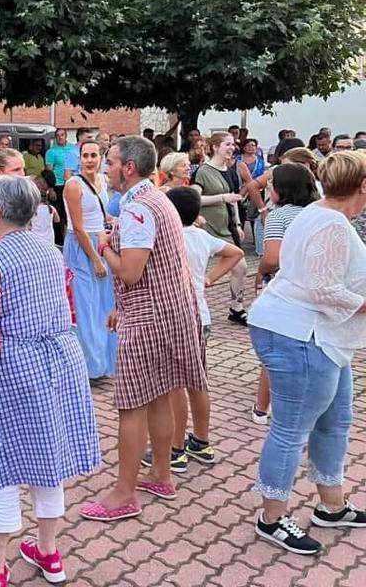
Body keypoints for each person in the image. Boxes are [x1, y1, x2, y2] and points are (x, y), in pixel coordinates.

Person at [0, 175, 101, 585]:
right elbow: (69, 308)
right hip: (61, 359)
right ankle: (48, 551)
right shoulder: (51, 250)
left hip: (15, 363)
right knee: (49, 456)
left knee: (2, 463)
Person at [246, 151, 366, 556]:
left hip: (324, 337)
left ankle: (331, 505)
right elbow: (324, 289)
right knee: (292, 428)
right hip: (300, 334)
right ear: (362, 186)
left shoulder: (321, 212)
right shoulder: (330, 222)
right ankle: (272, 517)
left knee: (335, 419)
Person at [81, 137, 206, 522]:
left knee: (131, 405)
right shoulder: (158, 198)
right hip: (172, 311)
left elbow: (132, 271)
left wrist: (103, 246)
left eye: (111, 161)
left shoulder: (137, 208)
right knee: (160, 395)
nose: (105, 167)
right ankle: (161, 475)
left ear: (128, 168)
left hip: (149, 317)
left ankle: (124, 493)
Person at [155, 187, 244, 473]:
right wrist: (208, 279)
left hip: (176, 316)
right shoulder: (201, 236)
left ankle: (175, 448)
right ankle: (202, 441)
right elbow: (235, 252)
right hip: (201, 317)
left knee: (174, 385)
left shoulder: (167, 238)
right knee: (197, 381)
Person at [252, 163, 320, 424]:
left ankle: (261, 407)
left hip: (285, 289)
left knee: (274, 353)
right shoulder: (317, 211)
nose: (268, 187)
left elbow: (271, 259)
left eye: (272, 183)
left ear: (283, 188)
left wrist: (260, 270)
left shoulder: (278, 216)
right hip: (314, 289)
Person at [63, 139, 117, 380]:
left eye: (94, 155)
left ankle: (102, 362)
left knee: (103, 303)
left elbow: (101, 213)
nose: (90, 160)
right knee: (84, 306)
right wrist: (95, 258)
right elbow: (78, 226)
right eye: (85, 155)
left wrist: (114, 223)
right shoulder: (74, 185)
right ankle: (86, 366)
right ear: (79, 158)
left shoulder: (102, 181)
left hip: (101, 241)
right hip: (80, 246)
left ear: (101, 157)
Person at [193, 132, 249, 325]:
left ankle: (236, 307)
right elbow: (195, 198)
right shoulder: (203, 171)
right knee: (199, 266)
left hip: (227, 227)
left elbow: (233, 197)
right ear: (215, 147)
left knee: (240, 266)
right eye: (227, 144)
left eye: (233, 144)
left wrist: (238, 223)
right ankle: (197, 297)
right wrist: (221, 198)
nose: (231, 148)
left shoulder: (230, 170)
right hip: (207, 227)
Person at [45, 128, 75, 245]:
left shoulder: (73, 149)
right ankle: (59, 242)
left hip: (71, 184)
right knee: (59, 215)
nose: (60, 137)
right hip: (58, 186)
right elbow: (49, 172)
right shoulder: (51, 152)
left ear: (66, 136)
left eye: (62, 135)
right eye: (57, 135)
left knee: (70, 214)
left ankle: (70, 239)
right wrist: (51, 188)